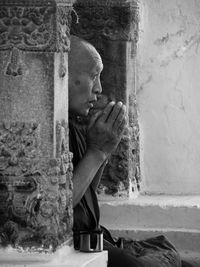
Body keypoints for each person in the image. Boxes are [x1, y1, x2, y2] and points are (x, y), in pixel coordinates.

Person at [68, 35, 186, 267]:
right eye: (93, 76)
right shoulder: (46, 132)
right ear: (62, 74)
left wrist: (103, 150)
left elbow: (85, 194)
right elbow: (56, 207)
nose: (99, 88)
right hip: (65, 245)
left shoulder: (71, 125)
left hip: (91, 237)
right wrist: (97, 153)